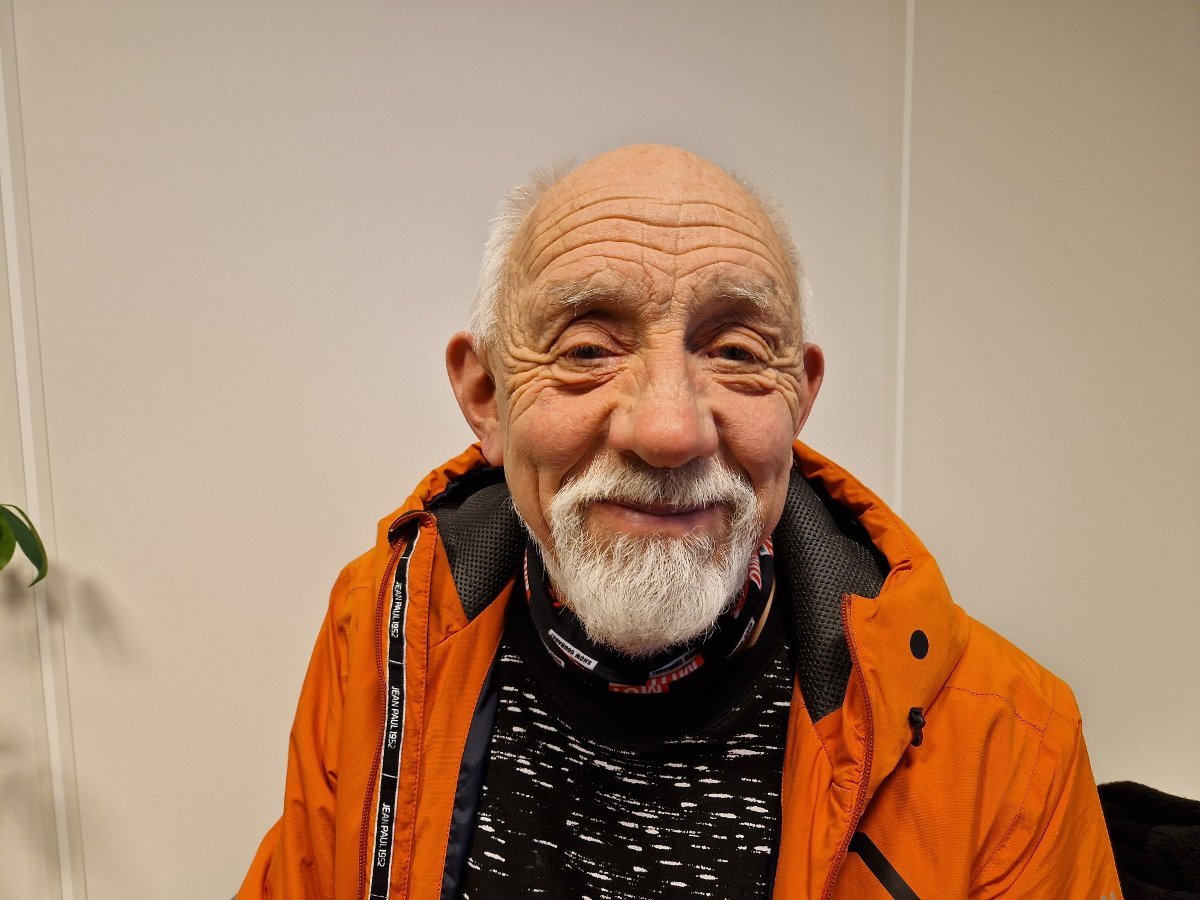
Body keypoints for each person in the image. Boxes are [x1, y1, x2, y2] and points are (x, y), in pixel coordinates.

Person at [240, 145, 1121, 898]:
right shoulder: (379, 634)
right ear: (485, 396)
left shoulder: (1010, 744)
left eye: (736, 351)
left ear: (799, 396)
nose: (668, 431)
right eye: (588, 348)